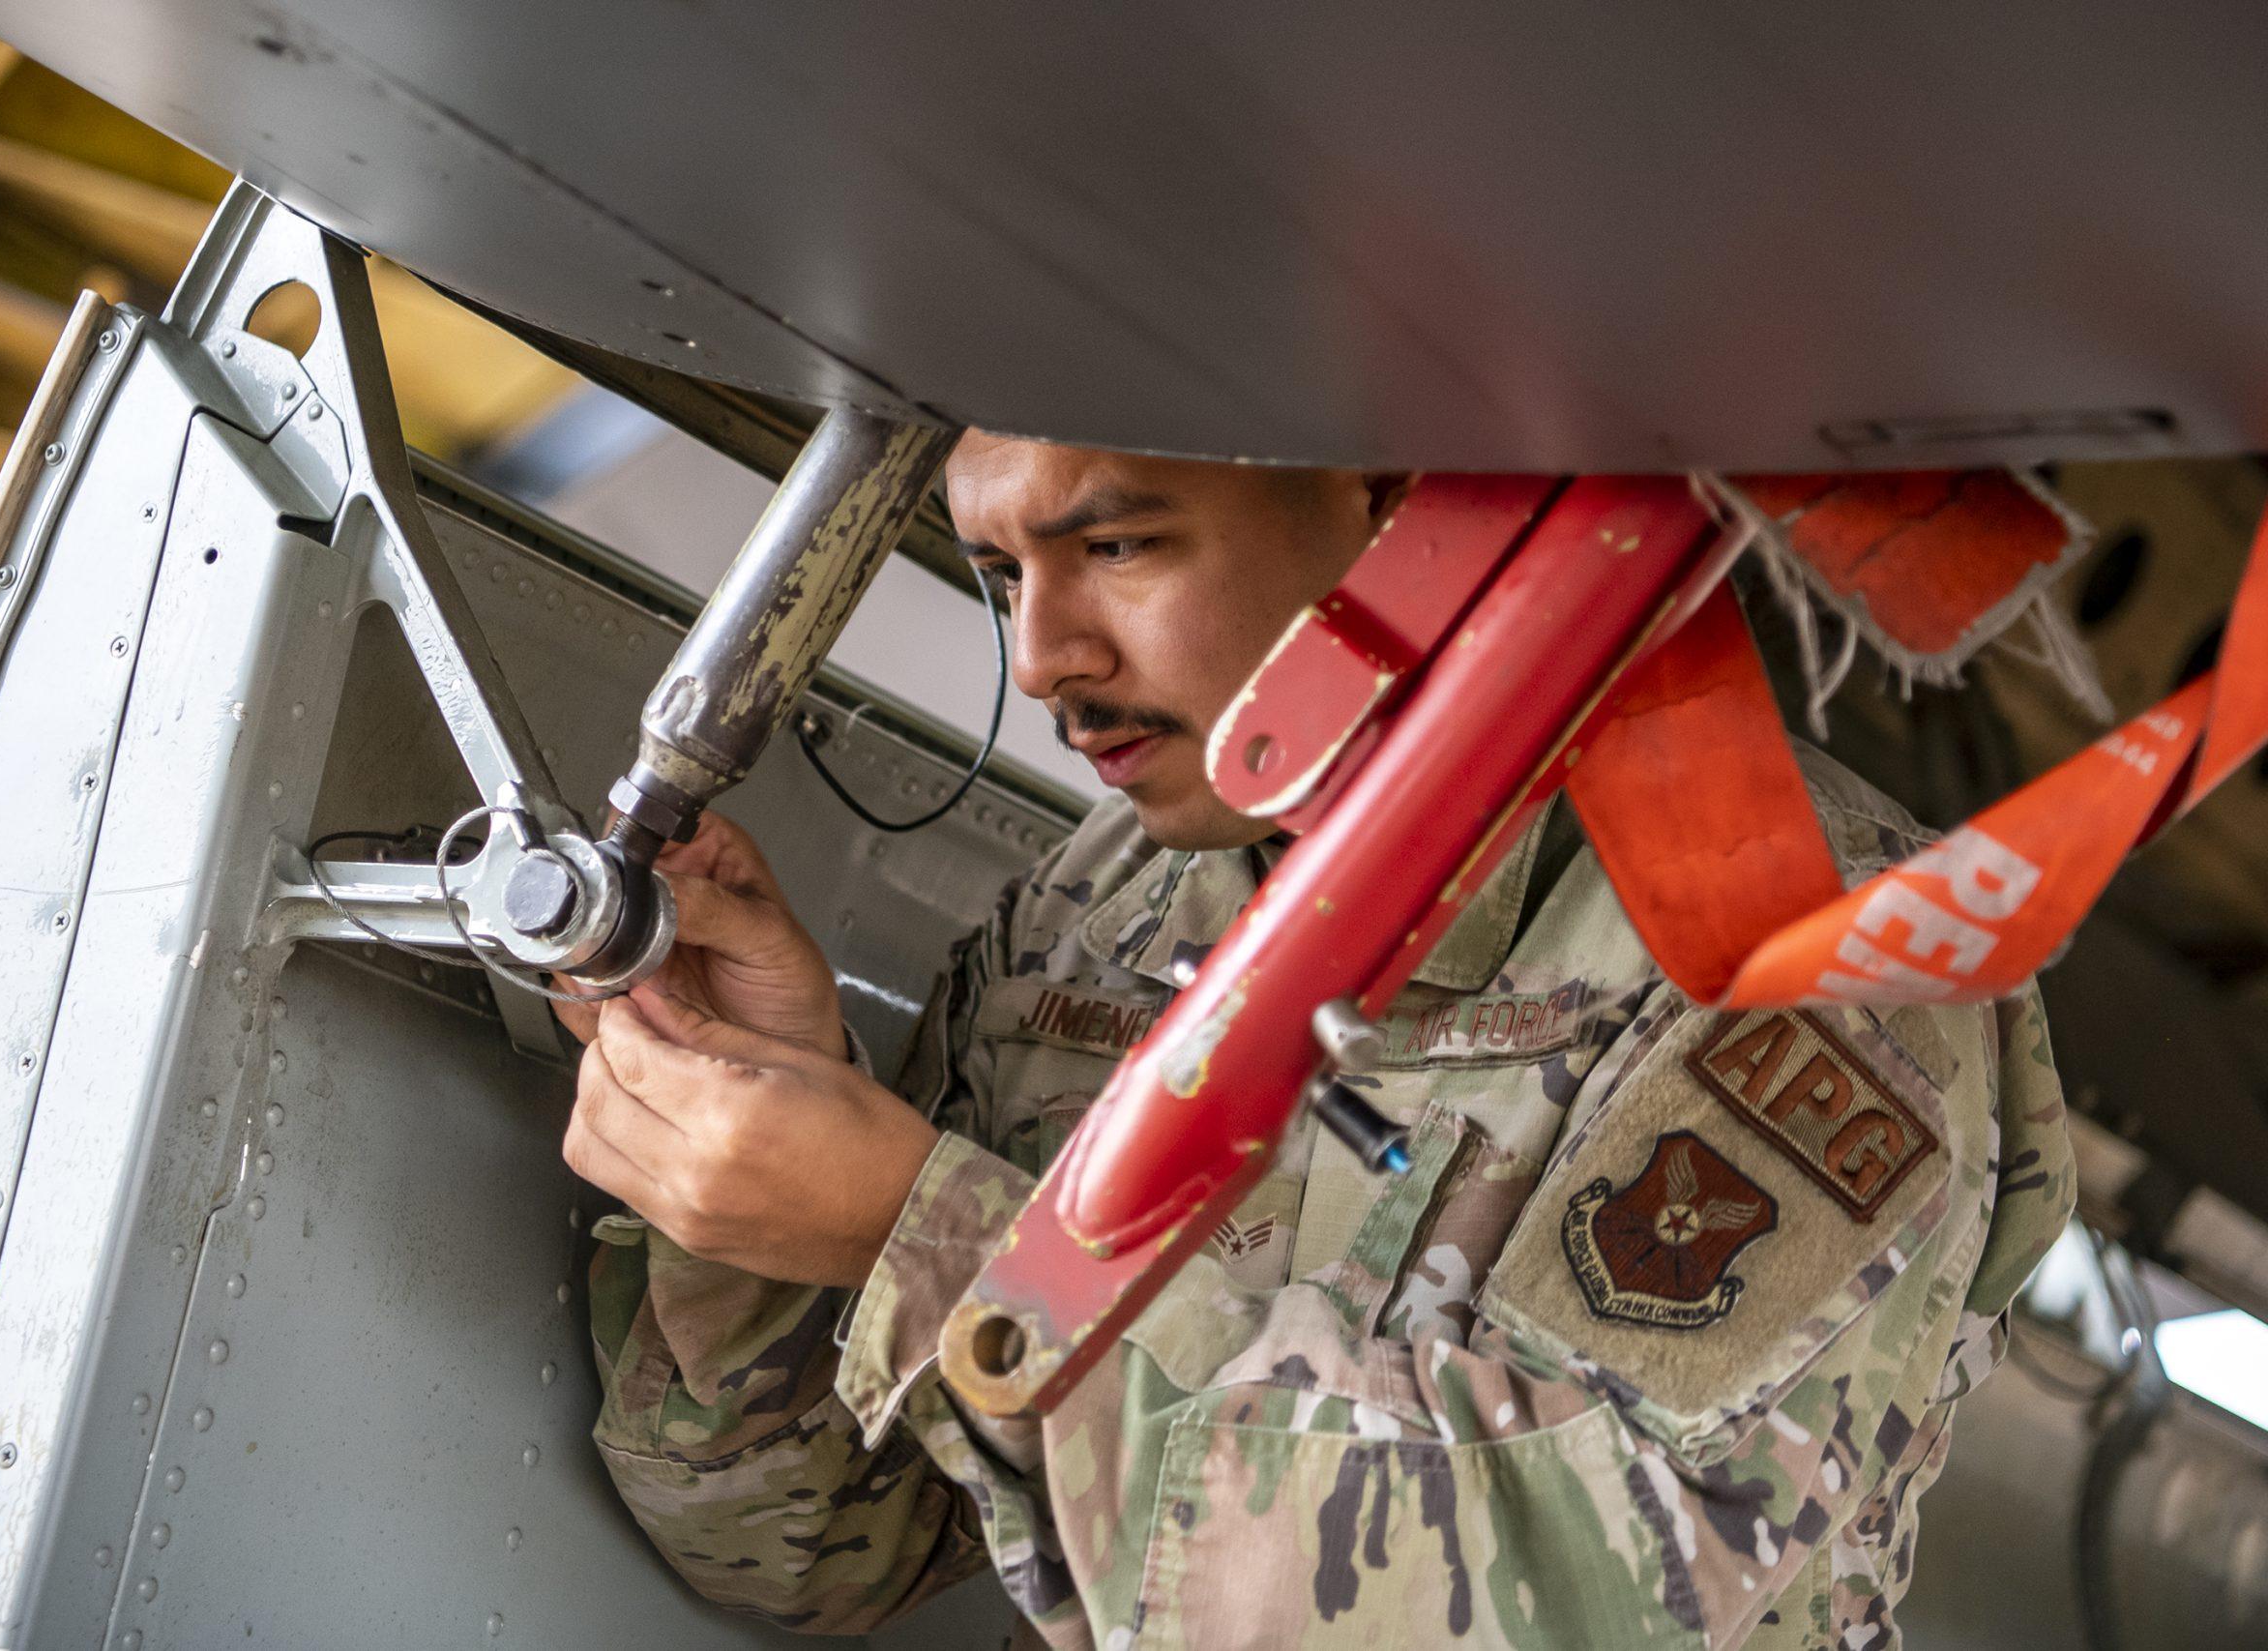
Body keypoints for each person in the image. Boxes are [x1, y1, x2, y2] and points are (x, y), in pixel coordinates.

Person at [552, 434, 2075, 1649]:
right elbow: (812, 1549)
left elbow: (1579, 1605)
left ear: (1396, 506)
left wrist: (929, 1241)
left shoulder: (1806, 958)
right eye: (996, 566)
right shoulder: (1106, 908)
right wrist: (758, 1152)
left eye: (1117, 543)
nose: (1042, 654)